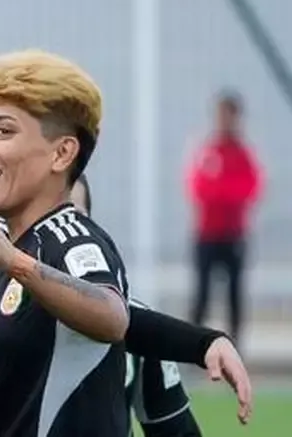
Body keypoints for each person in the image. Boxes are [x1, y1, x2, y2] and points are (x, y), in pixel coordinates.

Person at [0, 50, 131, 437]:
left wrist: (13, 261)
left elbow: (112, 317)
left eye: (3, 131)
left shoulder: (69, 237)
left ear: (62, 153)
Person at [72, 175, 204, 437]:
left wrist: (207, 343)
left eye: (74, 217)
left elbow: (176, 430)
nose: (60, 231)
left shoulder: (135, 326)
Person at [187, 90, 262, 342]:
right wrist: (224, 191)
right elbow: (197, 186)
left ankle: (235, 346)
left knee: (234, 296)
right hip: (206, 234)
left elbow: (251, 187)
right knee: (202, 294)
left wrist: (221, 190)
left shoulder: (243, 154)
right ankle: (193, 345)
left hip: (233, 235)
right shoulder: (207, 151)